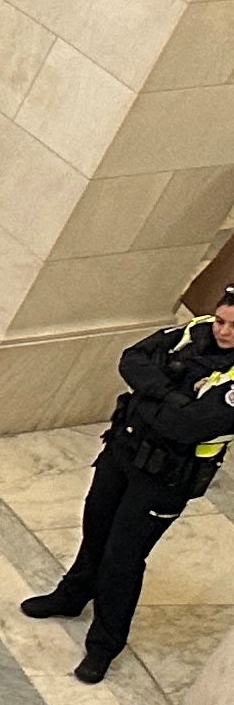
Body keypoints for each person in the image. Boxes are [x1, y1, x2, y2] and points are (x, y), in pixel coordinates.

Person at [18, 288, 234, 680]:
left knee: (123, 558)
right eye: (222, 321)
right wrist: (169, 396)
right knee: (96, 528)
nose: (224, 332)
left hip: (166, 477)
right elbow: (132, 358)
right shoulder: (195, 332)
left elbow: (188, 426)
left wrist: (150, 396)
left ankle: (104, 645)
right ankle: (72, 595)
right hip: (125, 450)